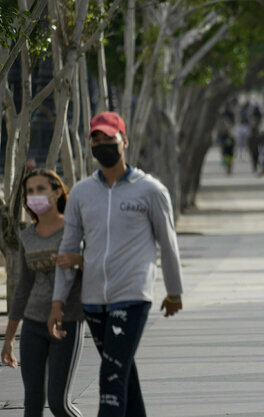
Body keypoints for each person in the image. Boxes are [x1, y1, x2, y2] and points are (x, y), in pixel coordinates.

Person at [50, 111, 184, 417]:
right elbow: (68, 249)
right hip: (94, 301)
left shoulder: (150, 190)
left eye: (108, 137)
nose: (102, 143)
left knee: (110, 377)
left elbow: (168, 243)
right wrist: (58, 301)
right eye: (96, 138)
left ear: (124, 140)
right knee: (123, 373)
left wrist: (174, 291)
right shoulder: (82, 193)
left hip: (133, 295)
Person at [2, 169, 84, 417]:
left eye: (40, 189)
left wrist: (80, 259)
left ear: (57, 192)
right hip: (33, 325)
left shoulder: (74, 229)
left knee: (59, 403)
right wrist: (9, 339)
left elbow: (97, 267)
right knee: (32, 404)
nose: (34, 196)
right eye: (29, 191)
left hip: (66, 322)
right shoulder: (28, 236)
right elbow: (23, 289)